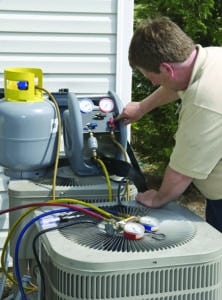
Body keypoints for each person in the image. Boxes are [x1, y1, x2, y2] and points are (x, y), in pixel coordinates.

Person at [116, 16, 222, 232]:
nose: (153, 82)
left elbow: (182, 171)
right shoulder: (210, 58)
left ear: (167, 68)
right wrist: (142, 107)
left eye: (151, 76)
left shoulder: (206, 100)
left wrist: (158, 198)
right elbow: (176, 84)